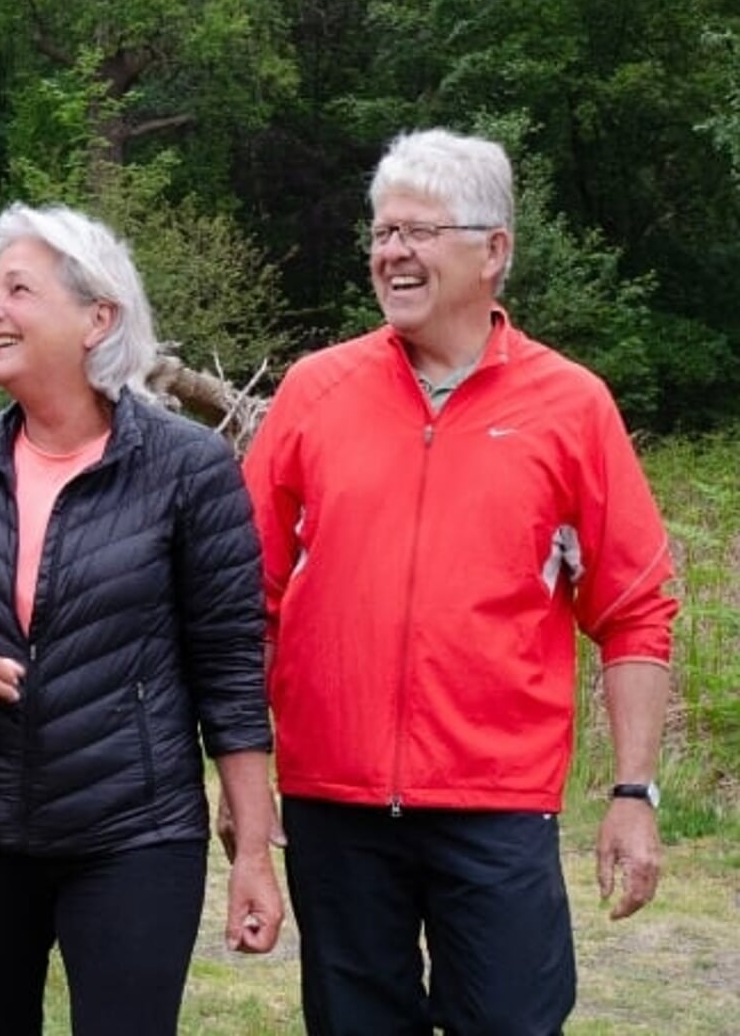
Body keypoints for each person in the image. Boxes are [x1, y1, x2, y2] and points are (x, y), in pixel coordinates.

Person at [240, 128, 678, 1034]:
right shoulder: (313, 392)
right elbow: (248, 602)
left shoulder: (571, 407)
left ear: (494, 251)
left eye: (418, 231)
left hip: (495, 806)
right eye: (381, 231)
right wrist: (245, 793)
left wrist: (633, 795)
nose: (391, 252)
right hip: (335, 803)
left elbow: (634, 612)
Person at [0, 203, 284, 1035]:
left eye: (17, 290)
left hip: (133, 835)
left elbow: (230, 670)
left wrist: (251, 853)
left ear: (98, 318)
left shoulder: (189, 469)